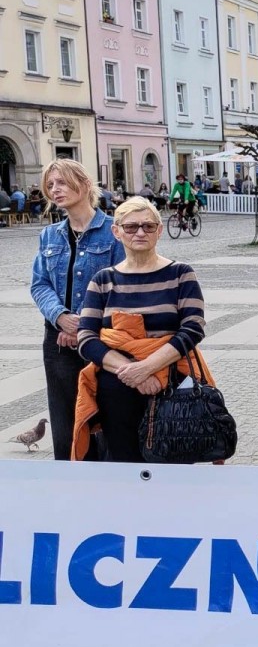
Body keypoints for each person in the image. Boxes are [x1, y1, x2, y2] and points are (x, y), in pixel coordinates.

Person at [72, 197, 207, 462]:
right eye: (131, 227)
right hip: (116, 387)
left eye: (148, 226)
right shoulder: (103, 280)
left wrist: (148, 367)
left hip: (172, 383)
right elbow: (86, 338)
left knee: (174, 462)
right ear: (117, 231)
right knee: (124, 464)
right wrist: (132, 371)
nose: (140, 232)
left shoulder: (180, 274)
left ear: (159, 231)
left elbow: (193, 328)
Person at [29, 160, 126, 459]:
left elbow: (122, 285)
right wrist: (59, 317)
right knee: (65, 418)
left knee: (106, 415)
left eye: (61, 182)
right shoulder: (50, 235)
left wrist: (82, 326)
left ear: (83, 184)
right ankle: (70, 487)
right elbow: (39, 284)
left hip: (103, 337)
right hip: (57, 339)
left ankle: (109, 487)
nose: (55, 190)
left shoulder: (114, 232)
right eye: (50, 185)